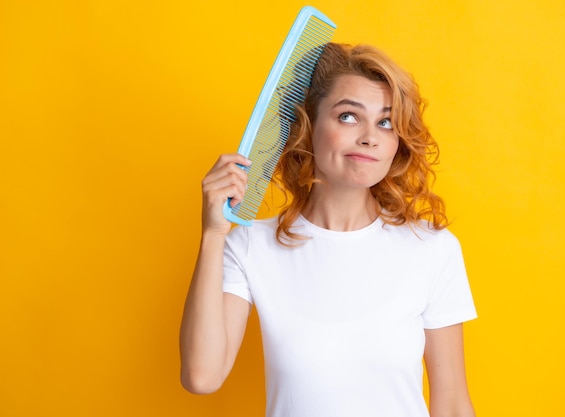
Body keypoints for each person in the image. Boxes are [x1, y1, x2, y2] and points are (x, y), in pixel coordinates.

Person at [179, 42, 477, 417]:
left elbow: (451, 404)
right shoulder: (252, 245)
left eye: (385, 122)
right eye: (349, 116)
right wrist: (212, 235)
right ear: (306, 127)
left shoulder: (432, 250)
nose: (370, 136)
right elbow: (202, 376)